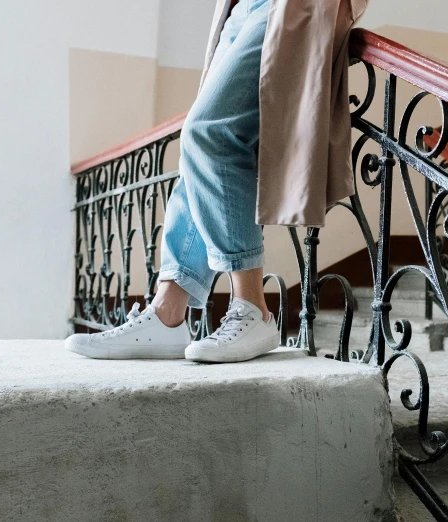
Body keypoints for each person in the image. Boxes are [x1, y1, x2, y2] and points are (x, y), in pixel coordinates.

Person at [65, 0, 367, 363]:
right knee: (198, 155)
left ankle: (253, 306)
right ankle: (168, 312)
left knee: (209, 134)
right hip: (241, 7)